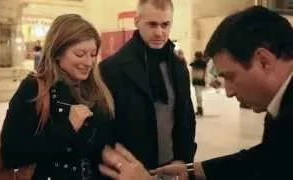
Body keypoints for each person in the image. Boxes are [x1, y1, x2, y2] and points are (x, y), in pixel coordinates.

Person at [99, 5, 293, 180]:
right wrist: (194, 170)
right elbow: (267, 159)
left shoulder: (177, 65)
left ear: (264, 61)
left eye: (230, 76)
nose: (228, 92)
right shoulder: (280, 110)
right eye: (152, 24)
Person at [0, 14, 115, 180]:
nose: (89, 62)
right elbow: (11, 153)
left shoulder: (97, 88)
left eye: (93, 54)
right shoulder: (34, 88)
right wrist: (66, 128)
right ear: (58, 53)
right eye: (80, 54)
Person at [99, 0, 197, 171]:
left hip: (173, 168)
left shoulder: (178, 67)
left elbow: (186, 119)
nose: (160, 32)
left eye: (165, 24)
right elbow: (104, 129)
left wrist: (184, 160)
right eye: (152, 24)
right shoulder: (111, 69)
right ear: (137, 21)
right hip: (129, 171)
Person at [190, 51, 207, 116]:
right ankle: (200, 108)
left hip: (196, 79)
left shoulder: (194, 63)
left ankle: (199, 109)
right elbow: (205, 72)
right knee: (199, 94)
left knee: (198, 94)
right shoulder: (204, 63)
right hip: (201, 79)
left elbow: (192, 69)